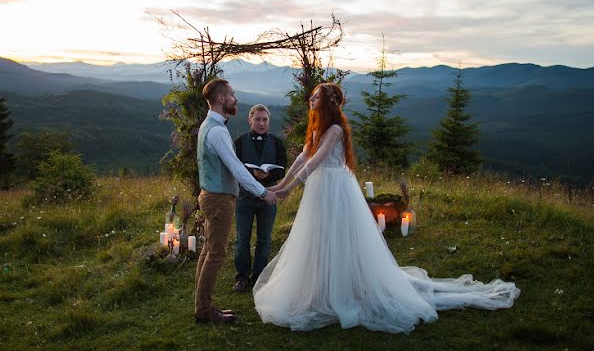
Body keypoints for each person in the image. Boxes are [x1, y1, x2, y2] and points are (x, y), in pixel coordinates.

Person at [254, 83, 519, 333]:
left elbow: (316, 162)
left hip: (335, 187)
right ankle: (319, 286)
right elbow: (304, 157)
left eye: (315, 98)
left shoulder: (334, 130)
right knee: (318, 236)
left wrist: (290, 189)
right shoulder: (316, 128)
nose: (310, 100)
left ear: (326, 105)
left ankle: (344, 288)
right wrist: (281, 184)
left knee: (339, 235)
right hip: (320, 189)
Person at [195, 79, 277, 324]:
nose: (235, 99)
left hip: (211, 195)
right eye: (232, 95)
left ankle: (202, 305)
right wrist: (264, 193)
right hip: (219, 199)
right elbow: (238, 169)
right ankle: (204, 310)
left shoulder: (209, 124)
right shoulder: (218, 131)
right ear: (221, 99)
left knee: (208, 252)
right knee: (216, 255)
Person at [232, 104, 288, 293]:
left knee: (264, 239)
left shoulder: (277, 143)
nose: (262, 123)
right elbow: (234, 167)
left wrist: (268, 176)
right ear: (250, 120)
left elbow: (282, 169)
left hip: (268, 197)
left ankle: (259, 277)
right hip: (244, 198)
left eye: (265, 119)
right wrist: (251, 174)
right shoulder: (239, 142)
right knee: (242, 239)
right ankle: (241, 277)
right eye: (258, 119)